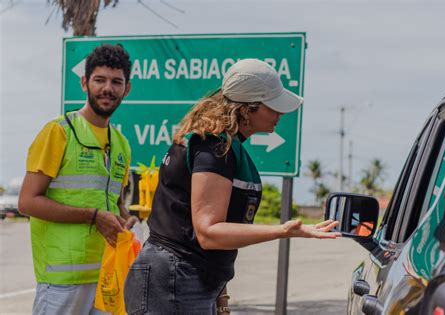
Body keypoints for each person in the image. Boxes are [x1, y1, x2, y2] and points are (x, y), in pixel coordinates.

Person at [123, 58, 341, 315]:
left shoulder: (222, 145)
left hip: (185, 277)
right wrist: (282, 230)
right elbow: (208, 232)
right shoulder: (213, 148)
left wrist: (219, 292)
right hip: (174, 280)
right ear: (248, 109)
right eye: (273, 106)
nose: (280, 113)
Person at [19, 44, 139, 315]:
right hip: (63, 282)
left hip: (108, 276)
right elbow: (27, 202)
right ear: (85, 83)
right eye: (100, 80)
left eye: (116, 82)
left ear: (126, 88)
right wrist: (94, 216)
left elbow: (116, 204)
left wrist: (125, 218)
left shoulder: (122, 145)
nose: (107, 88)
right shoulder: (59, 132)